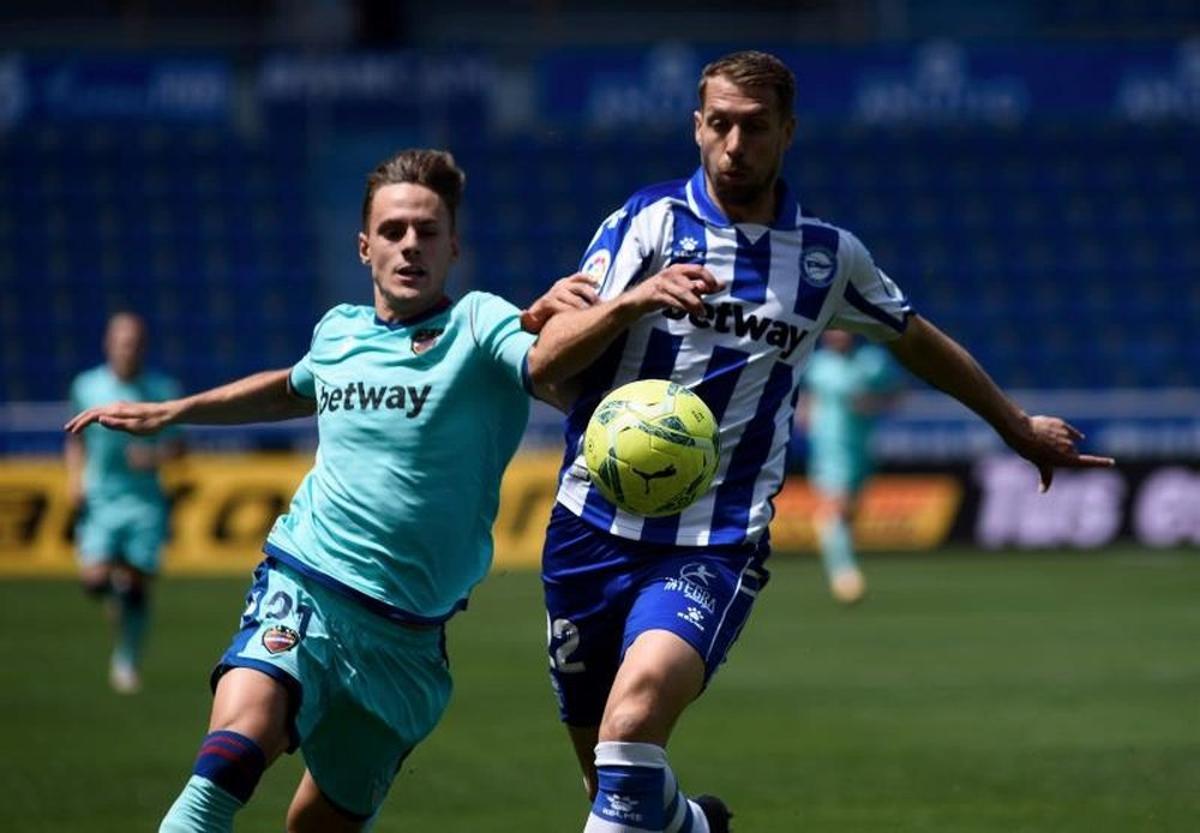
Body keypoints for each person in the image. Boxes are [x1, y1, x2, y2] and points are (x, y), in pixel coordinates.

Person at [523, 50, 1115, 832]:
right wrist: (632, 302)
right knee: (609, 774)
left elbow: (915, 340)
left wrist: (1016, 426)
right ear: (697, 128)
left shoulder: (828, 258)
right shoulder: (648, 221)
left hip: (714, 539)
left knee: (629, 730)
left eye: (755, 128)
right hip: (587, 529)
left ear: (788, 134)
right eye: (721, 125)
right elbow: (544, 360)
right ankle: (691, 824)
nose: (736, 145)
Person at [66, 148, 592, 833]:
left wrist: (618, 306)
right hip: (305, 583)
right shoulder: (339, 330)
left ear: (455, 246)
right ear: (364, 245)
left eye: (428, 231)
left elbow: (550, 364)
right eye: (395, 230)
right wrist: (177, 410)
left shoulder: (482, 324)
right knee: (227, 763)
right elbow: (290, 388)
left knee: (316, 826)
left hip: (407, 645)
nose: (411, 245)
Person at [64, 311, 185, 694]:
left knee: (136, 588)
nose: (126, 349)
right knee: (94, 580)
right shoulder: (86, 386)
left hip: (144, 501)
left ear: (143, 347)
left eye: (133, 343)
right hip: (101, 497)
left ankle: (127, 660)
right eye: (121, 342)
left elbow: (179, 446)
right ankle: (115, 586)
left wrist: (152, 458)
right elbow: (75, 438)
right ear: (108, 344)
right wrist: (74, 479)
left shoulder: (161, 388)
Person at [797, 329, 903, 604]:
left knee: (848, 512)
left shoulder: (872, 362)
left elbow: (895, 395)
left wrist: (873, 404)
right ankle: (844, 576)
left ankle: (835, 546)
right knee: (836, 506)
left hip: (861, 449)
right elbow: (808, 398)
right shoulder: (817, 364)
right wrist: (806, 418)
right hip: (828, 448)